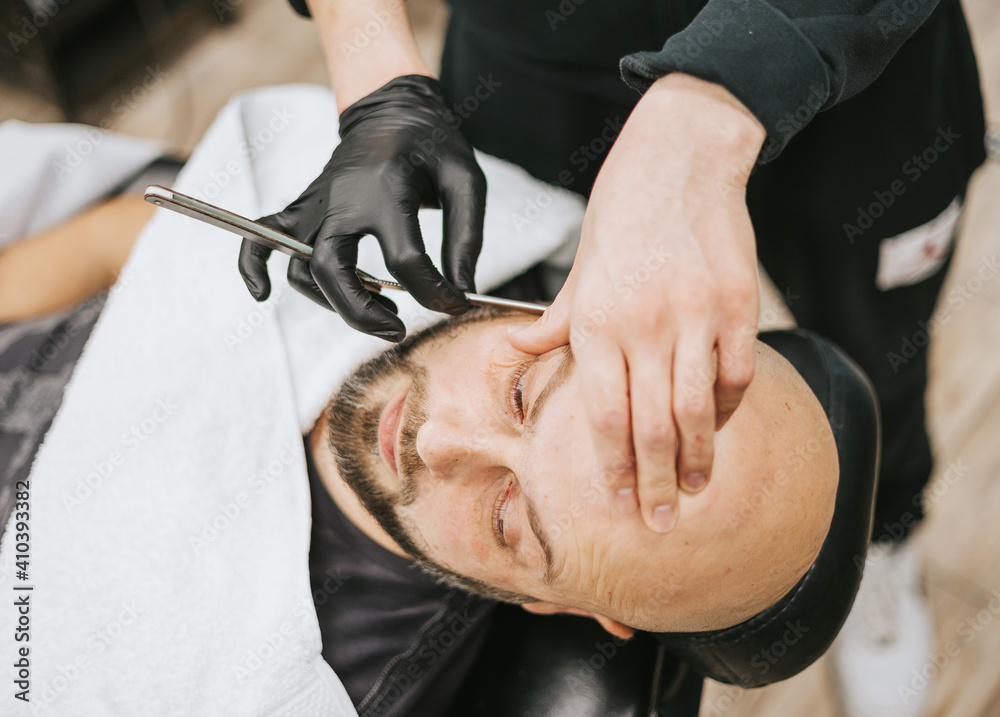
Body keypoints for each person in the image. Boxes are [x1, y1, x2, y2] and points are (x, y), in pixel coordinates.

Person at [240, 2, 988, 713]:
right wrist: (378, 78)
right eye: (523, 394)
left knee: (881, 345)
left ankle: (883, 532)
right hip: (539, 58)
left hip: (853, 59)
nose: (429, 441)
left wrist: (709, 113)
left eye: (510, 514)